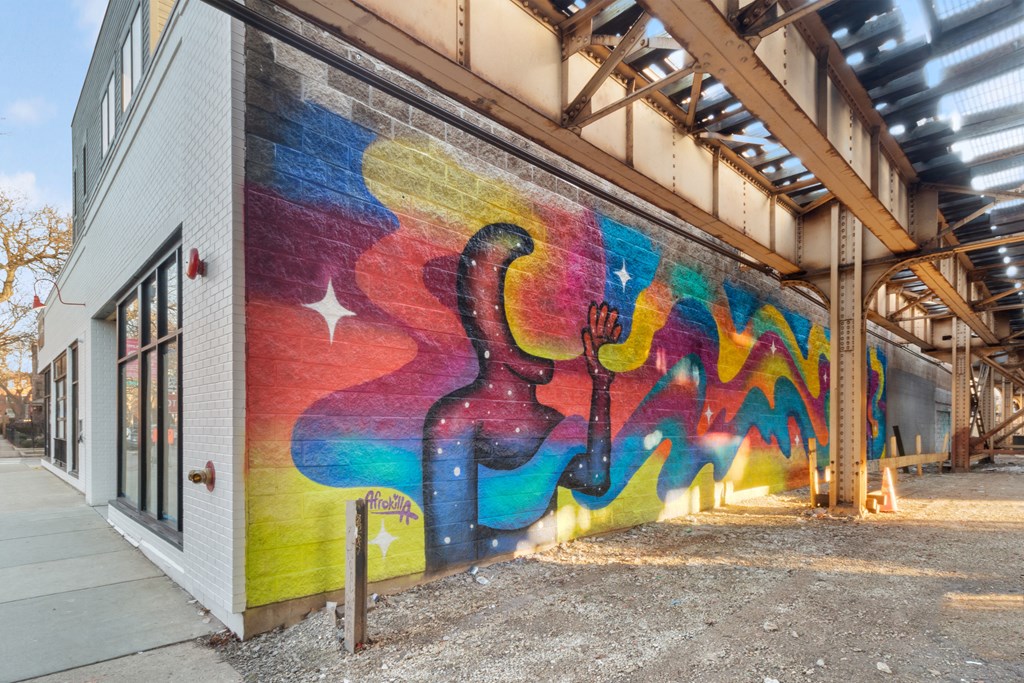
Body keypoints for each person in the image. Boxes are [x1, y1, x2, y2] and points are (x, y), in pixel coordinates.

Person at [422, 223, 621, 571]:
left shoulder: (550, 421)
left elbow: (596, 480)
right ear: (488, 317)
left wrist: (600, 386)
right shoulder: (456, 419)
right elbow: (450, 556)